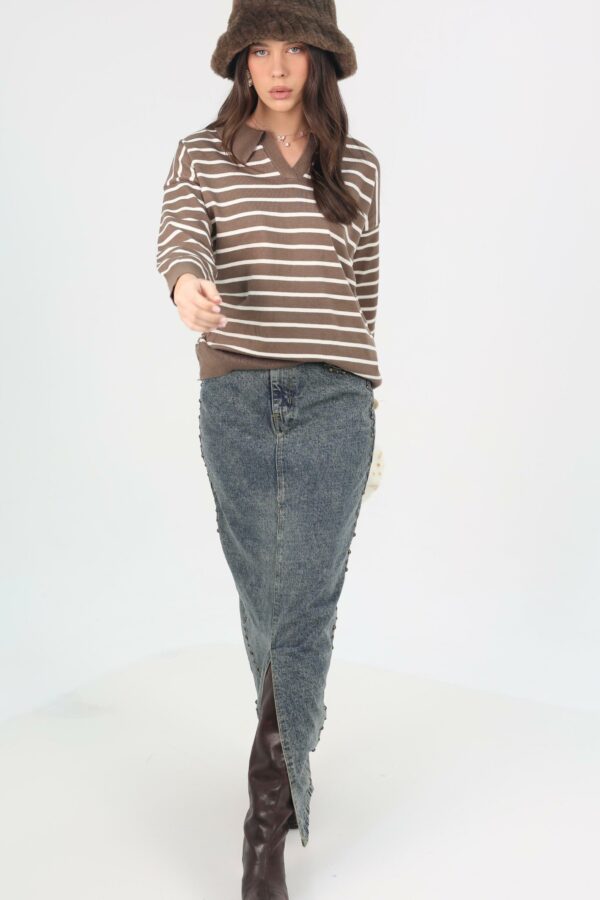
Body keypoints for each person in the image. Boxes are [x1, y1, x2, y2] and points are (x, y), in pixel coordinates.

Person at [156, 1, 382, 896]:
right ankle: (287, 777)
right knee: (267, 604)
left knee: (306, 603)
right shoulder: (202, 154)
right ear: (240, 62)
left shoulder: (357, 165)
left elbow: (364, 296)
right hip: (238, 402)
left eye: (296, 48)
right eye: (262, 49)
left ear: (319, 59)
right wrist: (187, 284)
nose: (279, 67)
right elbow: (180, 237)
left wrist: (370, 407)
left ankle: (262, 829)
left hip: (335, 403)